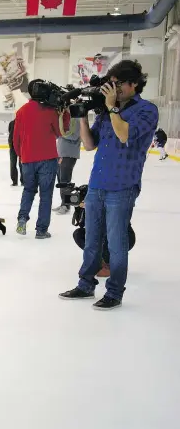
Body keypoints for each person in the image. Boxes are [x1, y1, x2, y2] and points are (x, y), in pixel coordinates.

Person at [59, 60, 158, 310]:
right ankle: (85, 285)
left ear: (134, 84)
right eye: (110, 84)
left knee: (116, 244)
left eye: (118, 84)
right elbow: (90, 145)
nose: (113, 89)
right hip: (97, 184)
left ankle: (114, 292)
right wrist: (82, 117)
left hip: (122, 186)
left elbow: (124, 135)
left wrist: (112, 108)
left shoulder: (146, 110)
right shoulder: (105, 112)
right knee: (92, 240)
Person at [13, 79, 67, 239]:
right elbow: (60, 132)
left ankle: (22, 218)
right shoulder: (51, 111)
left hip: (27, 159)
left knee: (28, 190)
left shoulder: (21, 111)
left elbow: (15, 139)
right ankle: (41, 230)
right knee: (46, 195)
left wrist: (22, 155)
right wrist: (65, 114)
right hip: (47, 158)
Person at [7, 119, 23, 186]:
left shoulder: (24, 122)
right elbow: (10, 132)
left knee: (21, 164)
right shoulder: (12, 123)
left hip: (21, 146)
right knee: (13, 164)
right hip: (13, 146)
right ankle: (15, 181)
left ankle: (23, 181)